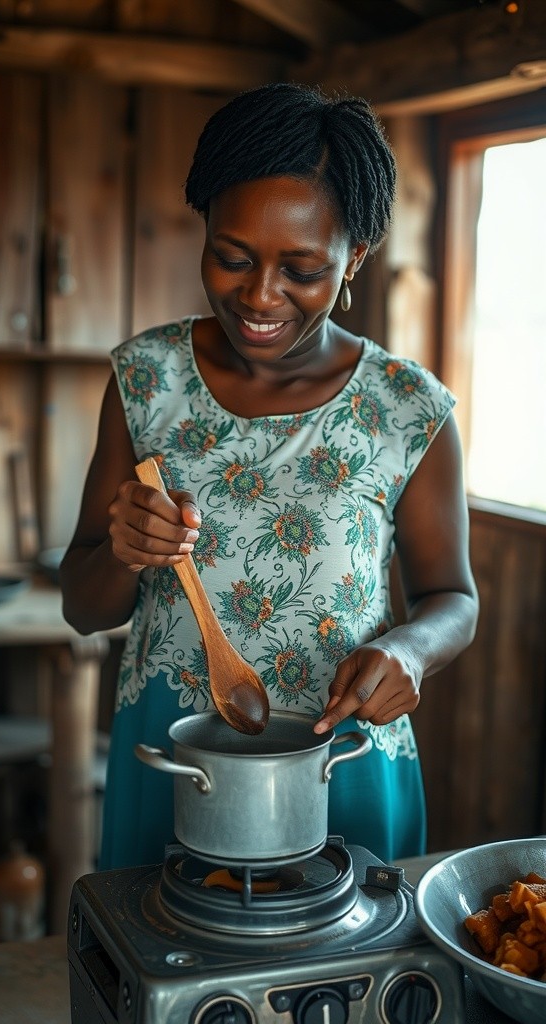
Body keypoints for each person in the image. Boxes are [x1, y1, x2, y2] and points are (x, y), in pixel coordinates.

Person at [60, 82, 478, 870]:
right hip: (176, 761)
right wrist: (122, 550)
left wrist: (413, 653)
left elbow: (452, 597)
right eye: (233, 257)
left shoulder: (406, 408)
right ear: (205, 230)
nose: (259, 297)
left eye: (302, 268)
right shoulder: (147, 379)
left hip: (341, 761)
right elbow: (84, 609)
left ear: (353, 259)